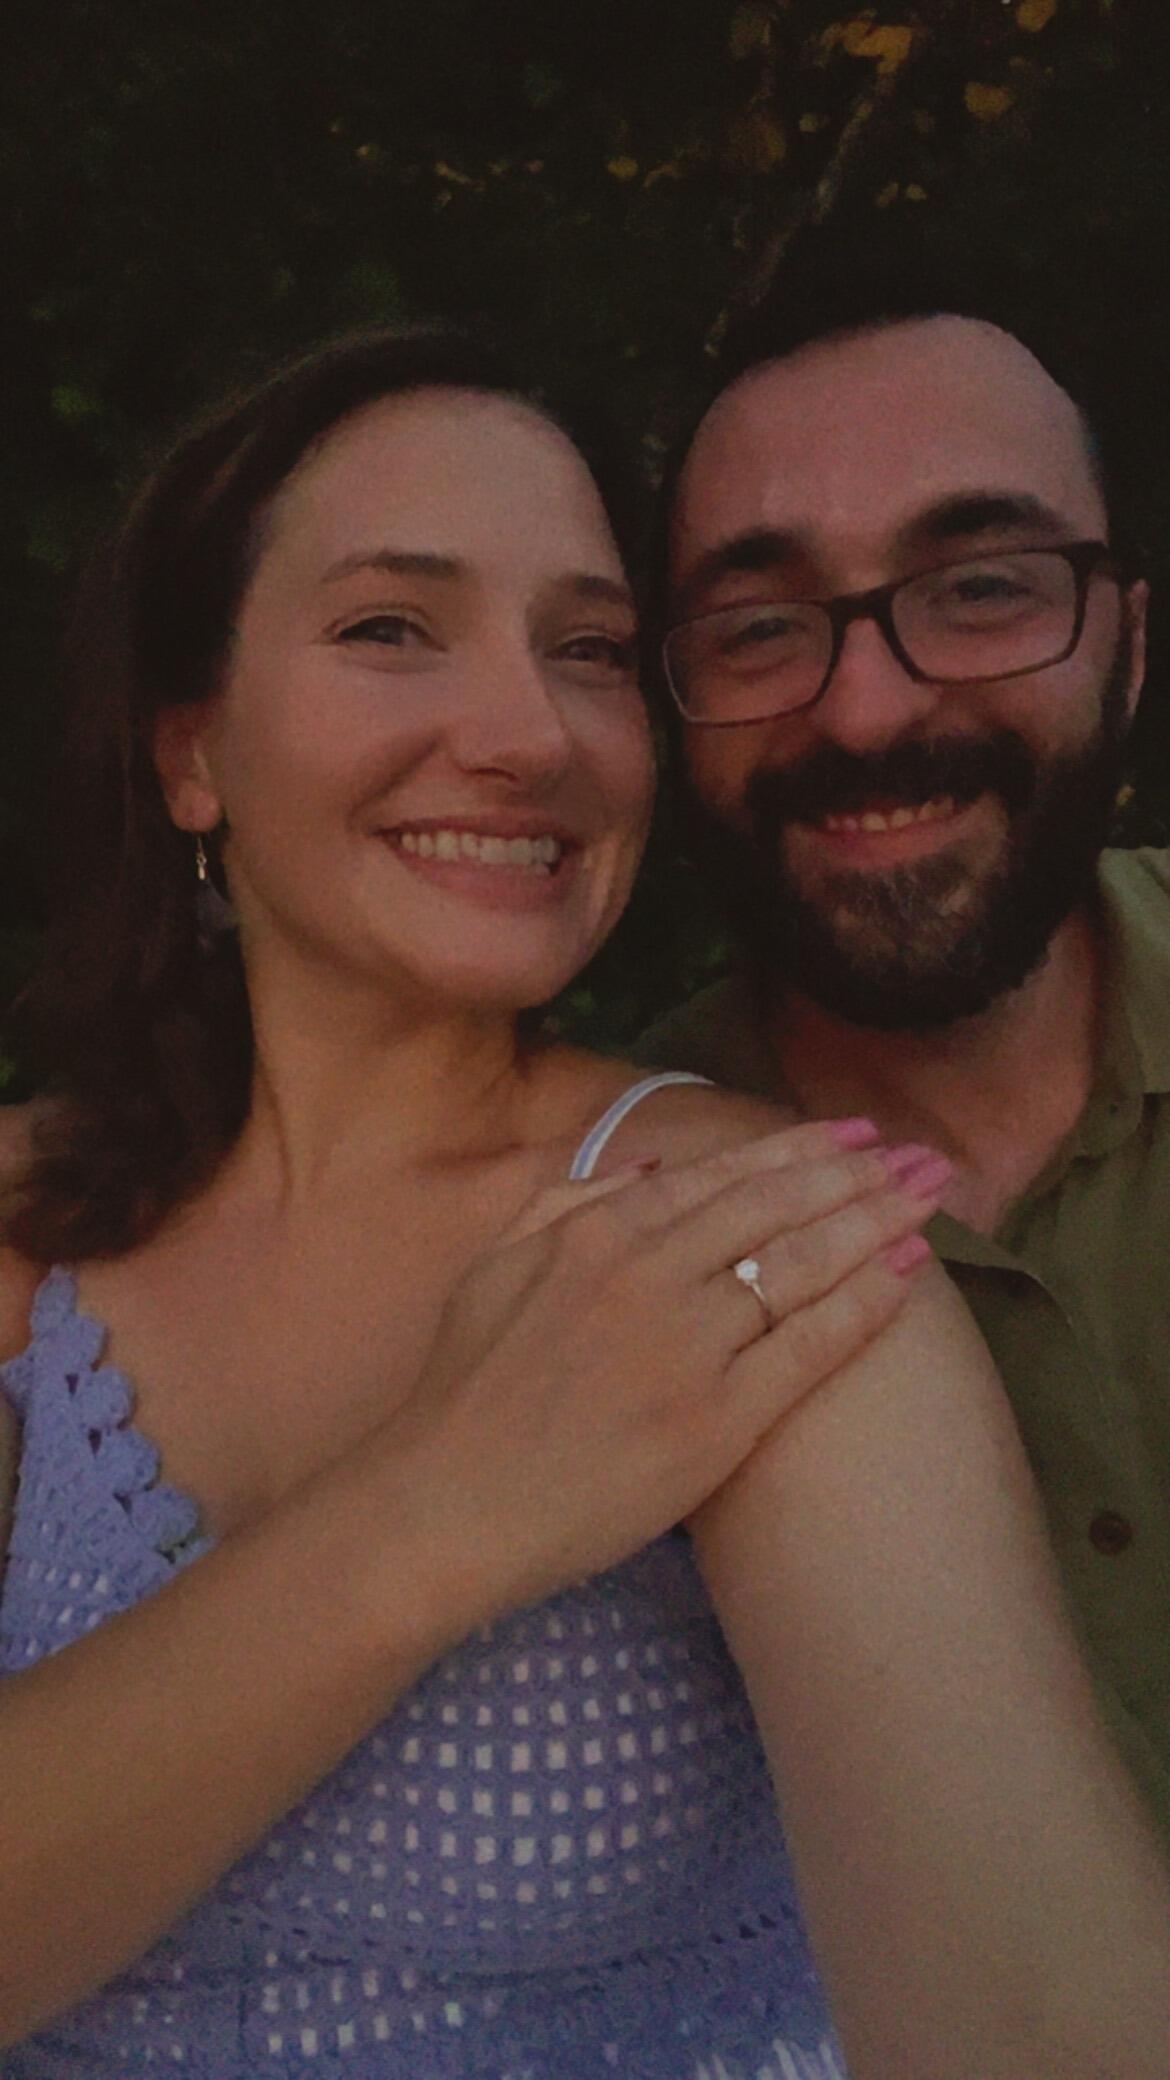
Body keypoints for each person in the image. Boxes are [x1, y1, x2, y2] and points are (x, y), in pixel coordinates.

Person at [1, 327, 1168, 2080]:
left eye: (592, 652)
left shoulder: (737, 1234)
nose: (527, 732)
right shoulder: (30, 1222)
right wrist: (435, 1509)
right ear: (191, 752)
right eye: (391, 625)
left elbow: (1021, 2003)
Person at [639, 243, 1170, 1841]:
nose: (863, 710)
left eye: (982, 588)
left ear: (1130, 649)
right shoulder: (596, 1227)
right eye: (755, 627)